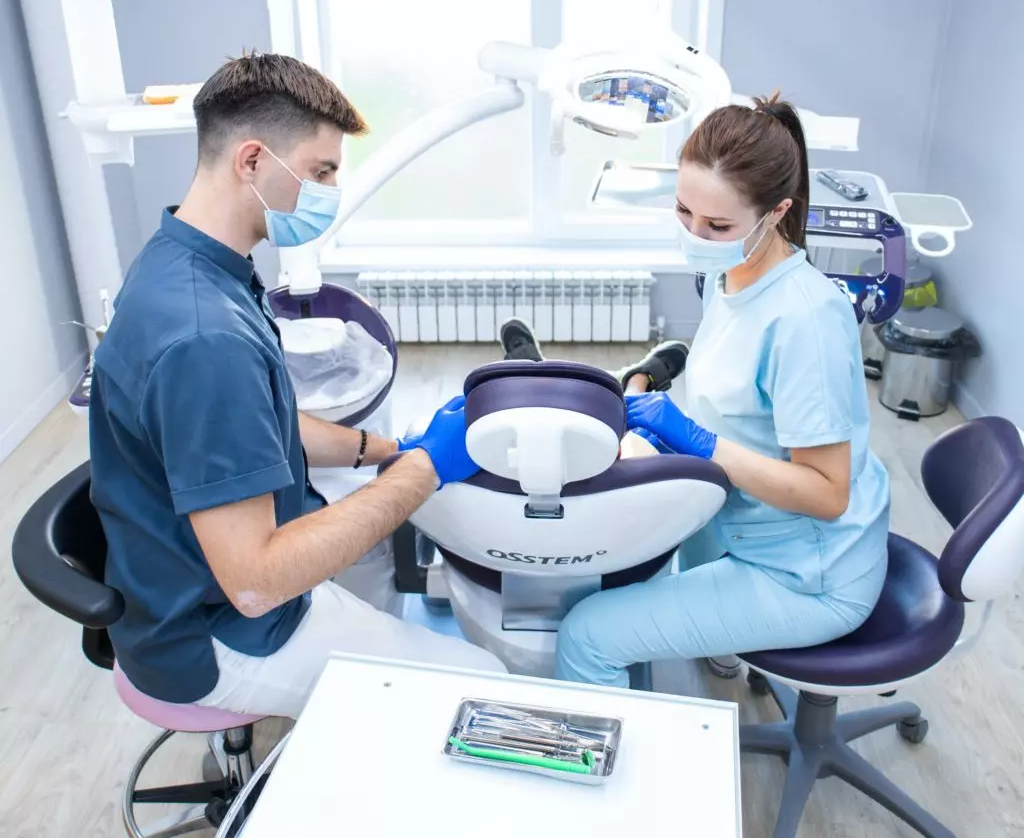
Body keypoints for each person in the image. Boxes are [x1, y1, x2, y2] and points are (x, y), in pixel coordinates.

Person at [89, 53, 504, 719]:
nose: (330, 192)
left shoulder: (190, 264)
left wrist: (384, 446)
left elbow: (262, 424)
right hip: (219, 635)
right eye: (321, 172)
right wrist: (425, 470)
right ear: (251, 160)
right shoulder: (205, 338)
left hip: (195, 587)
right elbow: (256, 582)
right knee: (481, 684)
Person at [501, 92, 891, 688]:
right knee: (626, 563)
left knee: (587, 634)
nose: (696, 235)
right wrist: (647, 403)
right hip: (738, 519)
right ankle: (724, 644)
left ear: (777, 212)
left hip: (808, 572)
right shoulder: (730, 275)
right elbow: (737, 405)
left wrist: (698, 442)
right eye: (684, 212)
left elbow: (828, 494)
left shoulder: (807, 319)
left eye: (718, 225)